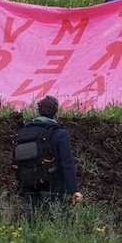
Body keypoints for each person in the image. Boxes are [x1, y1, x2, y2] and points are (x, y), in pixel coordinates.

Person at [16, 96, 82, 225]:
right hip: (54, 188)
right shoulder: (60, 134)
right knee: (61, 226)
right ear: (56, 114)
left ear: (39, 112)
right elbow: (67, 164)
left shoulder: (25, 133)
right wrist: (74, 190)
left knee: (34, 227)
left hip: (29, 187)